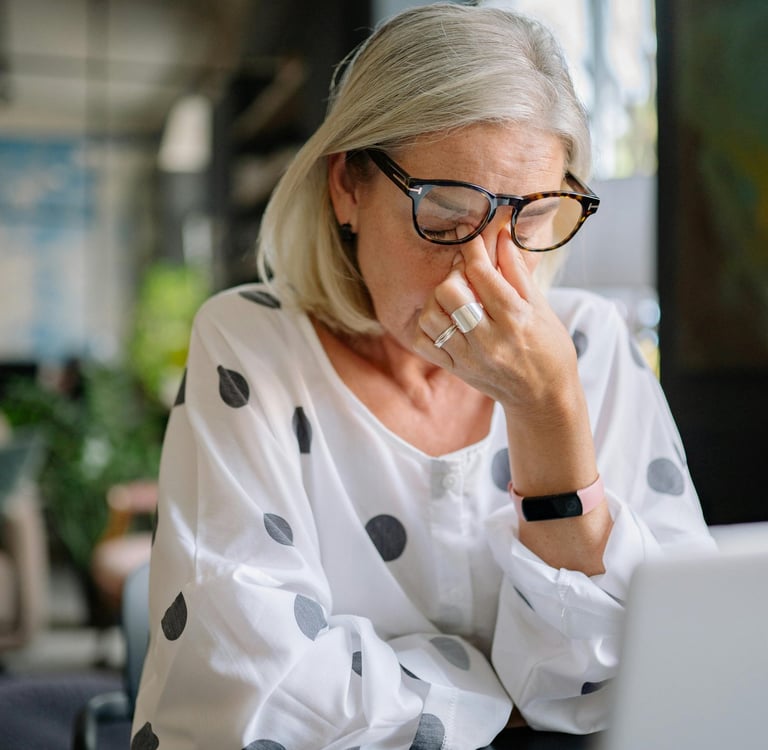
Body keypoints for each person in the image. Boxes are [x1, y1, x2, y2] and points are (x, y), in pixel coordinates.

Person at [131, 4, 716, 748]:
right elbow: (251, 695)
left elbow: (661, 675)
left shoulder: (590, 350)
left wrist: (547, 411)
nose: (486, 271)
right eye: (443, 214)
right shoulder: (253, 346)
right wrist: (498, 691)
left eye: (531, 217)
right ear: (347, 187)